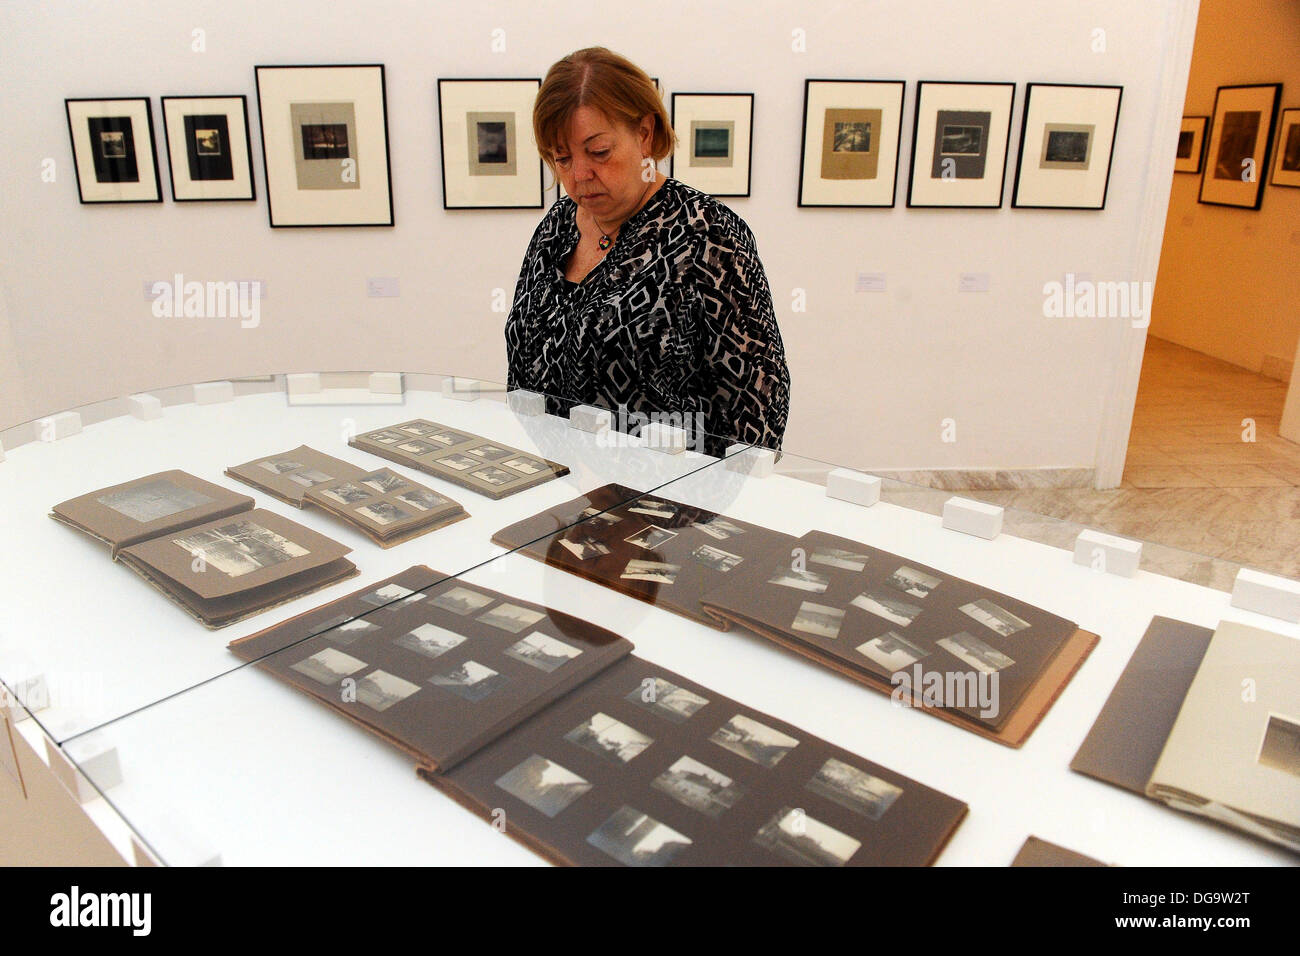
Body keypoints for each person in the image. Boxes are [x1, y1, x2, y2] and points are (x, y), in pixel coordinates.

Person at [505, 47, 790, 456]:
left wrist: (717, 505)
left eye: (599, 151)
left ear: (644, 133)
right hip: (560, 486)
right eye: (561, 158)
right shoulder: (556, 229)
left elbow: (760, 401)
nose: (579, 175)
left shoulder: (706, 234)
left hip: (669, 504)